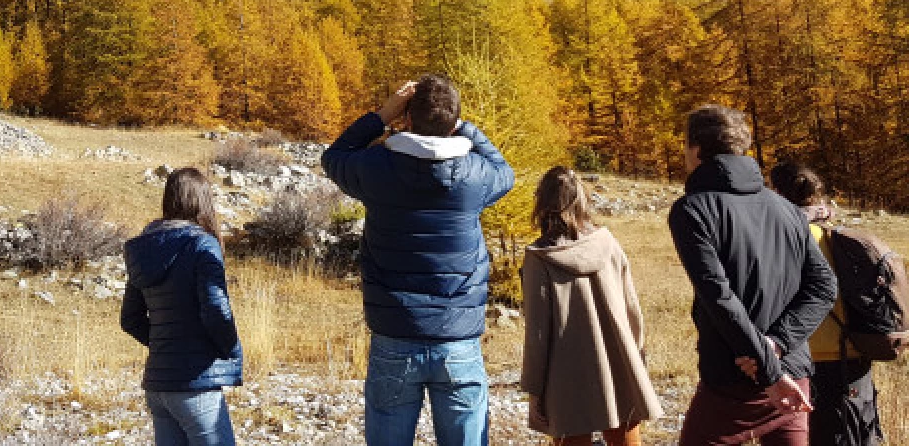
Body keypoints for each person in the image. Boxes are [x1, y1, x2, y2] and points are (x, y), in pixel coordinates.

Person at [321, 75, 515, 446]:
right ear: (453, 120)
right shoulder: (474, 175)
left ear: (407, 119)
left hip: (395, 331)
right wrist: (465, 128)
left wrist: (381, 116)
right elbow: (505, 172)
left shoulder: (377, 167)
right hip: (457, 337)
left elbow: (334, 157)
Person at [669, 105, 837, 446]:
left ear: (697, 149)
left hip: (739, 380)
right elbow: (824, 287)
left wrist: (768, 367)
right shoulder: (787, 209)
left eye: (685, 145)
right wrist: (777, 346)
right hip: (792, 371)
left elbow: (719, 297)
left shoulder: (693, 209)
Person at [521, 166, 663, 446]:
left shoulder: (539, 258)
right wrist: (636, 358)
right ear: (581, 200)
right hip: (617, 358)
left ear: (541, 203)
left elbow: (537, 333)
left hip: (565, 374)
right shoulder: (608, 243)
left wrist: (534, 391)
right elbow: (632, 308)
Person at [121, 168, 242, 446]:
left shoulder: (145, 248)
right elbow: (216, 310)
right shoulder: (203, 244)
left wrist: (167, 344)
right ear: (202, 201)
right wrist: (231, 349)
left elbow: (130, 318)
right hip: (195, 382)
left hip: (158, 385)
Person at [770, 161, 884, 446]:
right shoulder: (835, 236)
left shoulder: (789, 238)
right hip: (855, 351)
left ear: (777, 193)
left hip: (811, 356)